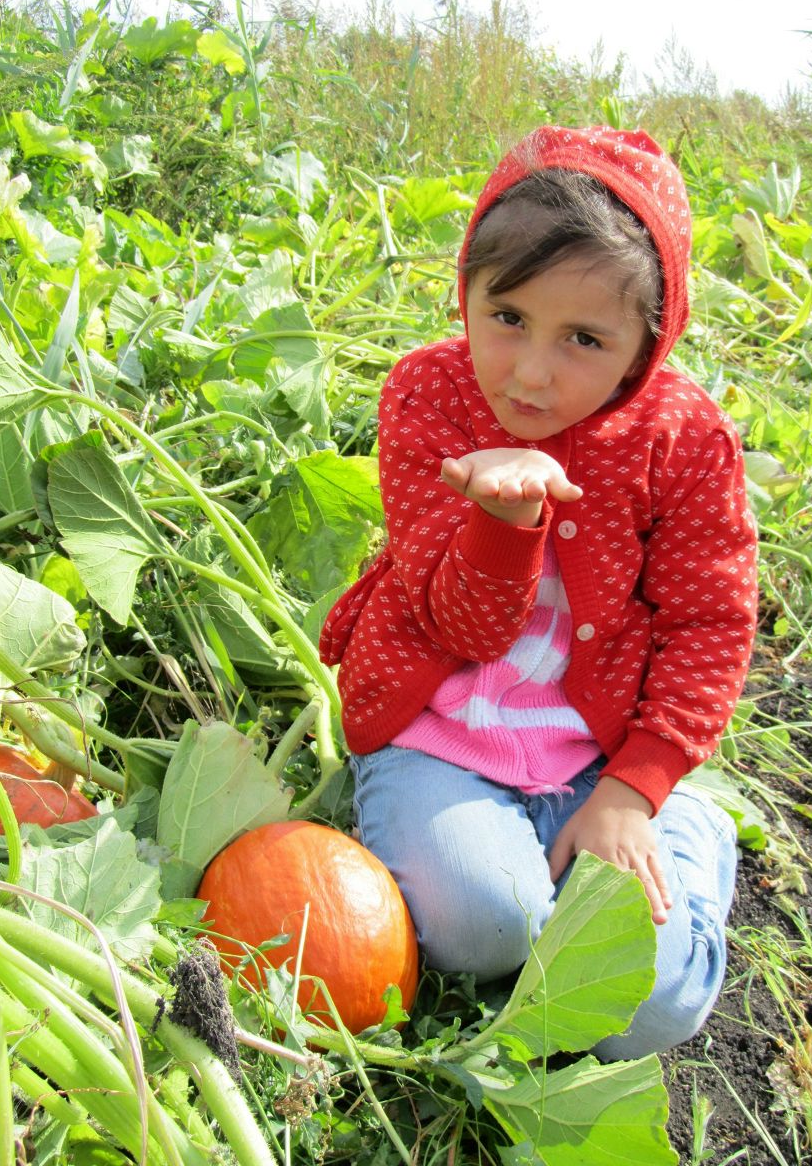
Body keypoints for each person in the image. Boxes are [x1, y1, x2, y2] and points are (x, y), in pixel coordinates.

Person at [319, 125, 758, 1060]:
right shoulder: (429, 396)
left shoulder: (682, 439)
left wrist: (633, 792)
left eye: (585, 339)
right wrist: (502, 520)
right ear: (467, 292)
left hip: (605, 752)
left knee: (646, 1012)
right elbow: (459, 621)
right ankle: (504, 862)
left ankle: (689, 830)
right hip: (441, 731)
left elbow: (709, 624)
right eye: (507, 315)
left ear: (646, 345)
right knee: (489, 928)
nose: (530, 371)